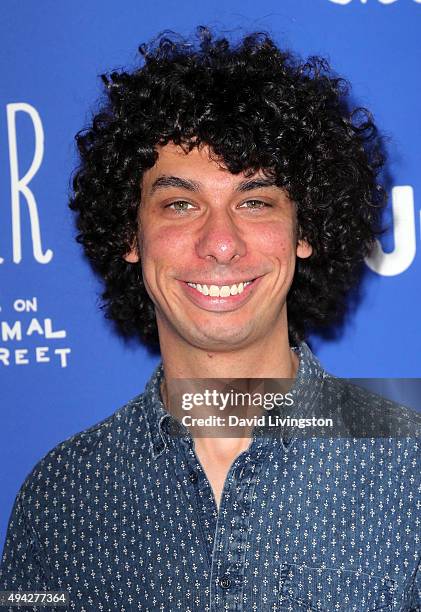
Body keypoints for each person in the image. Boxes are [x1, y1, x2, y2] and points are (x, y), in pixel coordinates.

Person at [1, 28, 420, 611]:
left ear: (306, 231)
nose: (220, 244)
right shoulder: (61, 497)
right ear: (131, 235)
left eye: (254, 202)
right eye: (180, 204)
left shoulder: (411, 471)